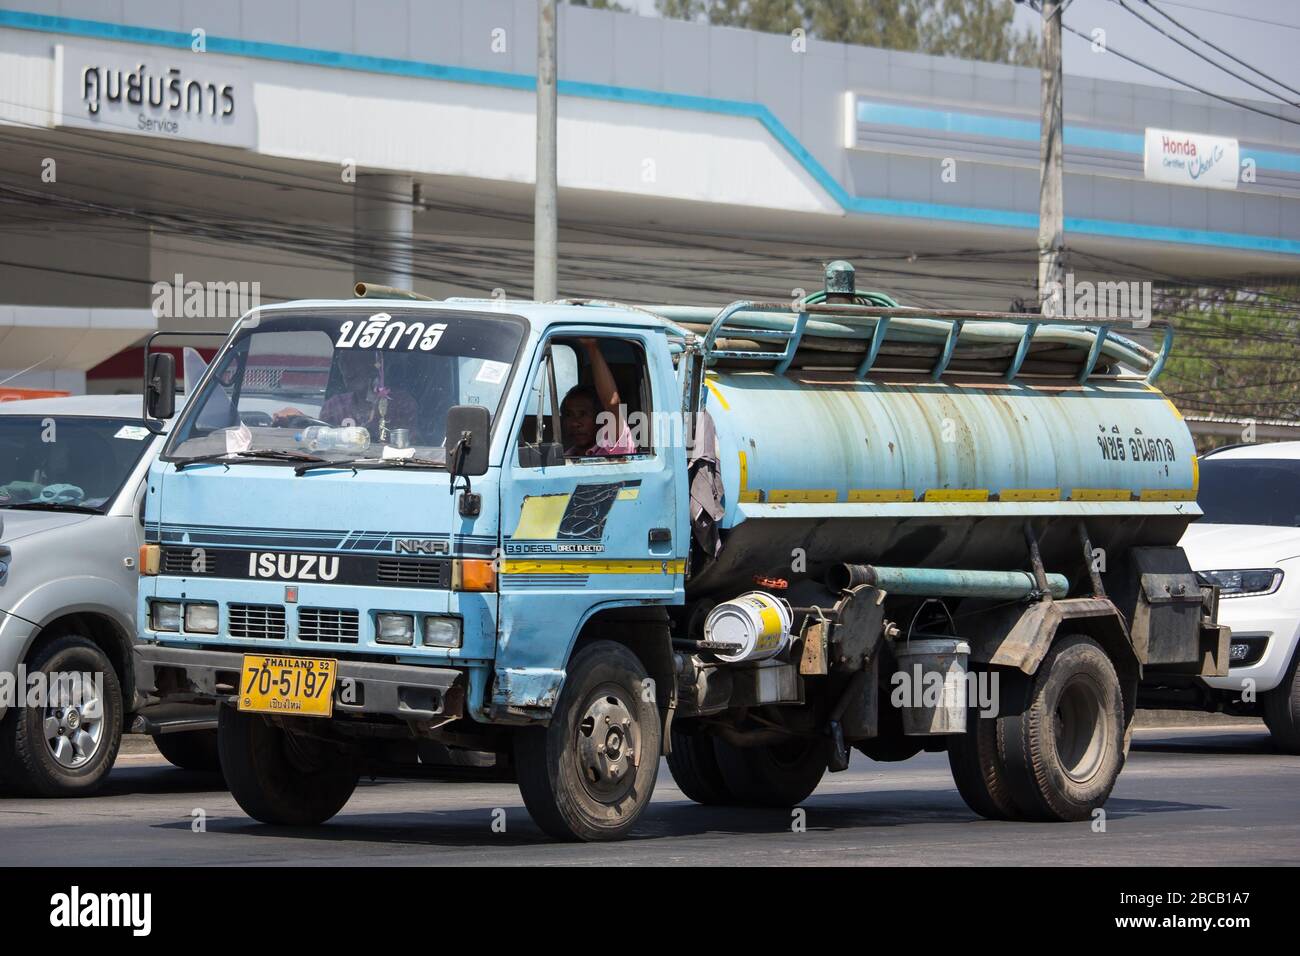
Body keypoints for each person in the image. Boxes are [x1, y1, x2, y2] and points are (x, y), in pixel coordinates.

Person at [273, 349, 417, 441]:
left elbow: (413, 446)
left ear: (373, 366)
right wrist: (299, 420)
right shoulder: (335, 405)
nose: (347, 370)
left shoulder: (400, 402)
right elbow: (322, 439)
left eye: (355, 362)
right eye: (343, 363)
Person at [561, 338, 637, 457]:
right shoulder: (566, 456)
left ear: (602, 419)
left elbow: (612, 404)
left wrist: (592, 347)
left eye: (583, 414)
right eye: (569, 415)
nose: (575, 423)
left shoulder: (616, 450)